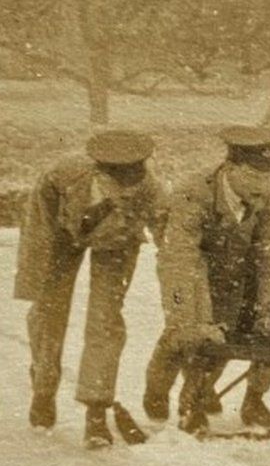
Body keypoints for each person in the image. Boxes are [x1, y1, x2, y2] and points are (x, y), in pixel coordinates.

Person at [143, 126, 270, 434]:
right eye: (254, 180)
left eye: (266, 179)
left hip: (235, 271)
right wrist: (190, 317)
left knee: (254, 332)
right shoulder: (194, 192)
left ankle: (248, 401)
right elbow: (180, 259)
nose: (262, 189)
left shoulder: (267, 192)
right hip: (188, 270)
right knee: (190, 336)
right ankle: (158, 392)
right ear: (231, 169)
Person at [14, 129, 167, 449]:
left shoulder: (151, 189)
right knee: (48, 312)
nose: (128, 190)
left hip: (118, 243)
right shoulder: (60, 178)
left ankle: (96, 410)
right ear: (101, 172)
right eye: (119, 185)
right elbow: (38, 234)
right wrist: (36, 280)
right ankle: (44, 388)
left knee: (106, 320)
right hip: (60, 235)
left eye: (134, 181)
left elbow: (170, 240)